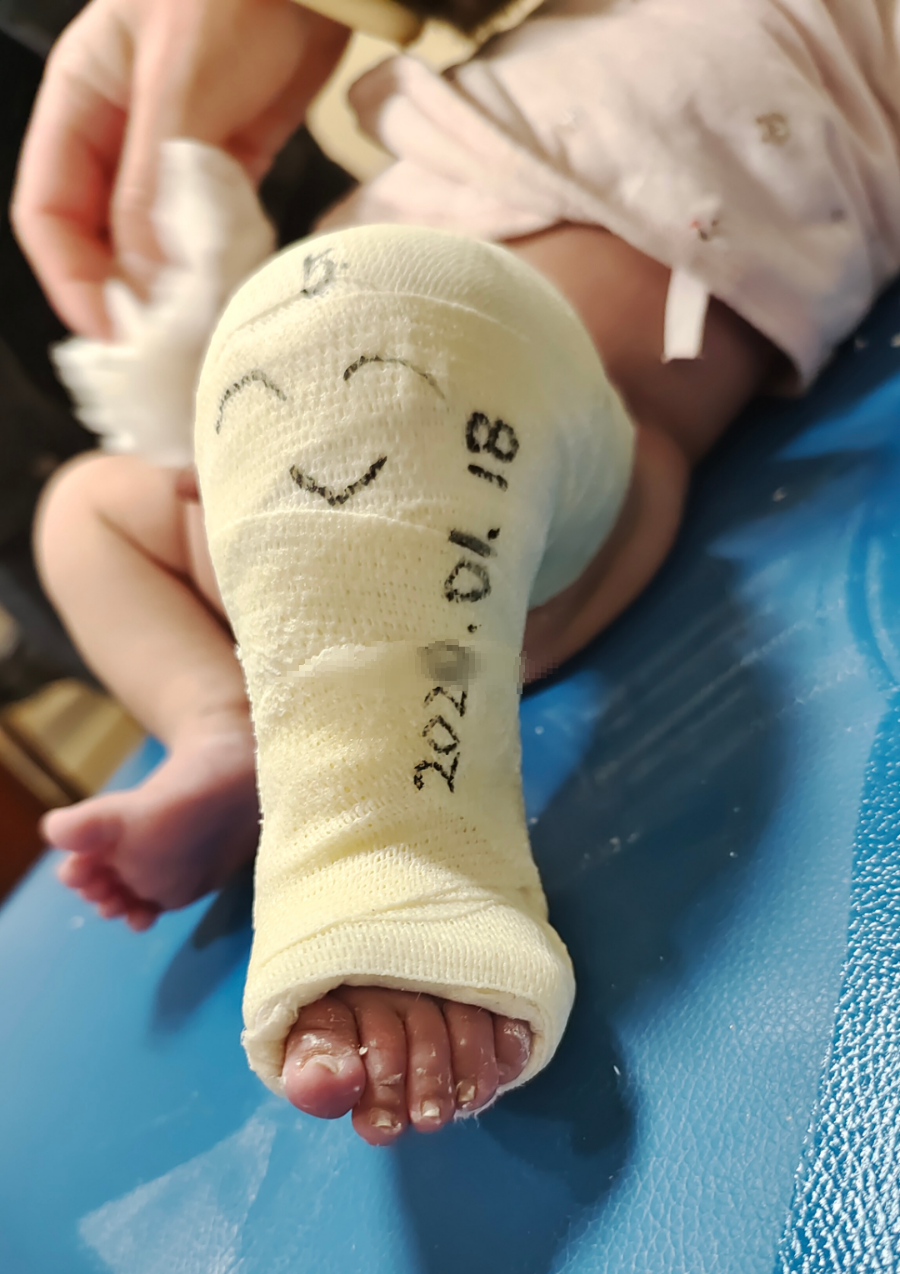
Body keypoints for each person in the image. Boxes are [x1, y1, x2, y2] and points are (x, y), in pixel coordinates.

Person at [13, 0, 900, 1142]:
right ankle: (222, 721)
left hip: (520, 485)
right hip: (295, 463)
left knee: (370, 322)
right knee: (78, 507)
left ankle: (384, 840)